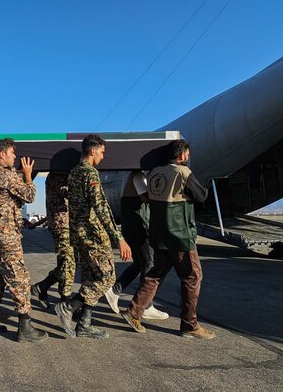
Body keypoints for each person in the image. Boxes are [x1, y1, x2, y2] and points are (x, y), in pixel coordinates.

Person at [121, 140, 215, 339]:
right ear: (181, 155)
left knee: (155, 274)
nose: (187, 157)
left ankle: (134, 311)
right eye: (187, 154)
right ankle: (189, 324)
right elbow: (201, 196)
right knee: (192, 276)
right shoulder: (183, 173)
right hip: (179, 232)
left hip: (159, 233)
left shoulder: (154, 173)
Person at [55, 134, 132, 340]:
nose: (103, 157)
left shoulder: (73, 173)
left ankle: (84, 324)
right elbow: (101, 207)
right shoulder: (90, 174)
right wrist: (119, 238)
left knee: (90, 277)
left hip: (79, 235)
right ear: (92, 150)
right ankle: (68, 308)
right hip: (93, 234)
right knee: (107, 277)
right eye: (101, 152)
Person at [0, 138, 47, 342]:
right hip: (6, 234)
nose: (15, 157)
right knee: (20, 278)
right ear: (2, 155)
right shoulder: (5, 175)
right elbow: (30, 196)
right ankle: (25, 326)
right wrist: (28, 176)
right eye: (12, 153)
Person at [103, 171, 168, 319]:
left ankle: (115, 290)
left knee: (139, 263)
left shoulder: (133, 175)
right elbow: (146, 198)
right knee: (149, 263)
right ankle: (146, 305)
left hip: (131, 226)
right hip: (138, 226)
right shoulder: (137, 175)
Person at [31, 172, 76, 308]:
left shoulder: (60, 174)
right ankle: (64, 301)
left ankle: (44, 288)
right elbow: (68, 193)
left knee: (66, 262)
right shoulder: (58, 175)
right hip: (62, 225)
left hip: (65, 224)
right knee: (68, 263)